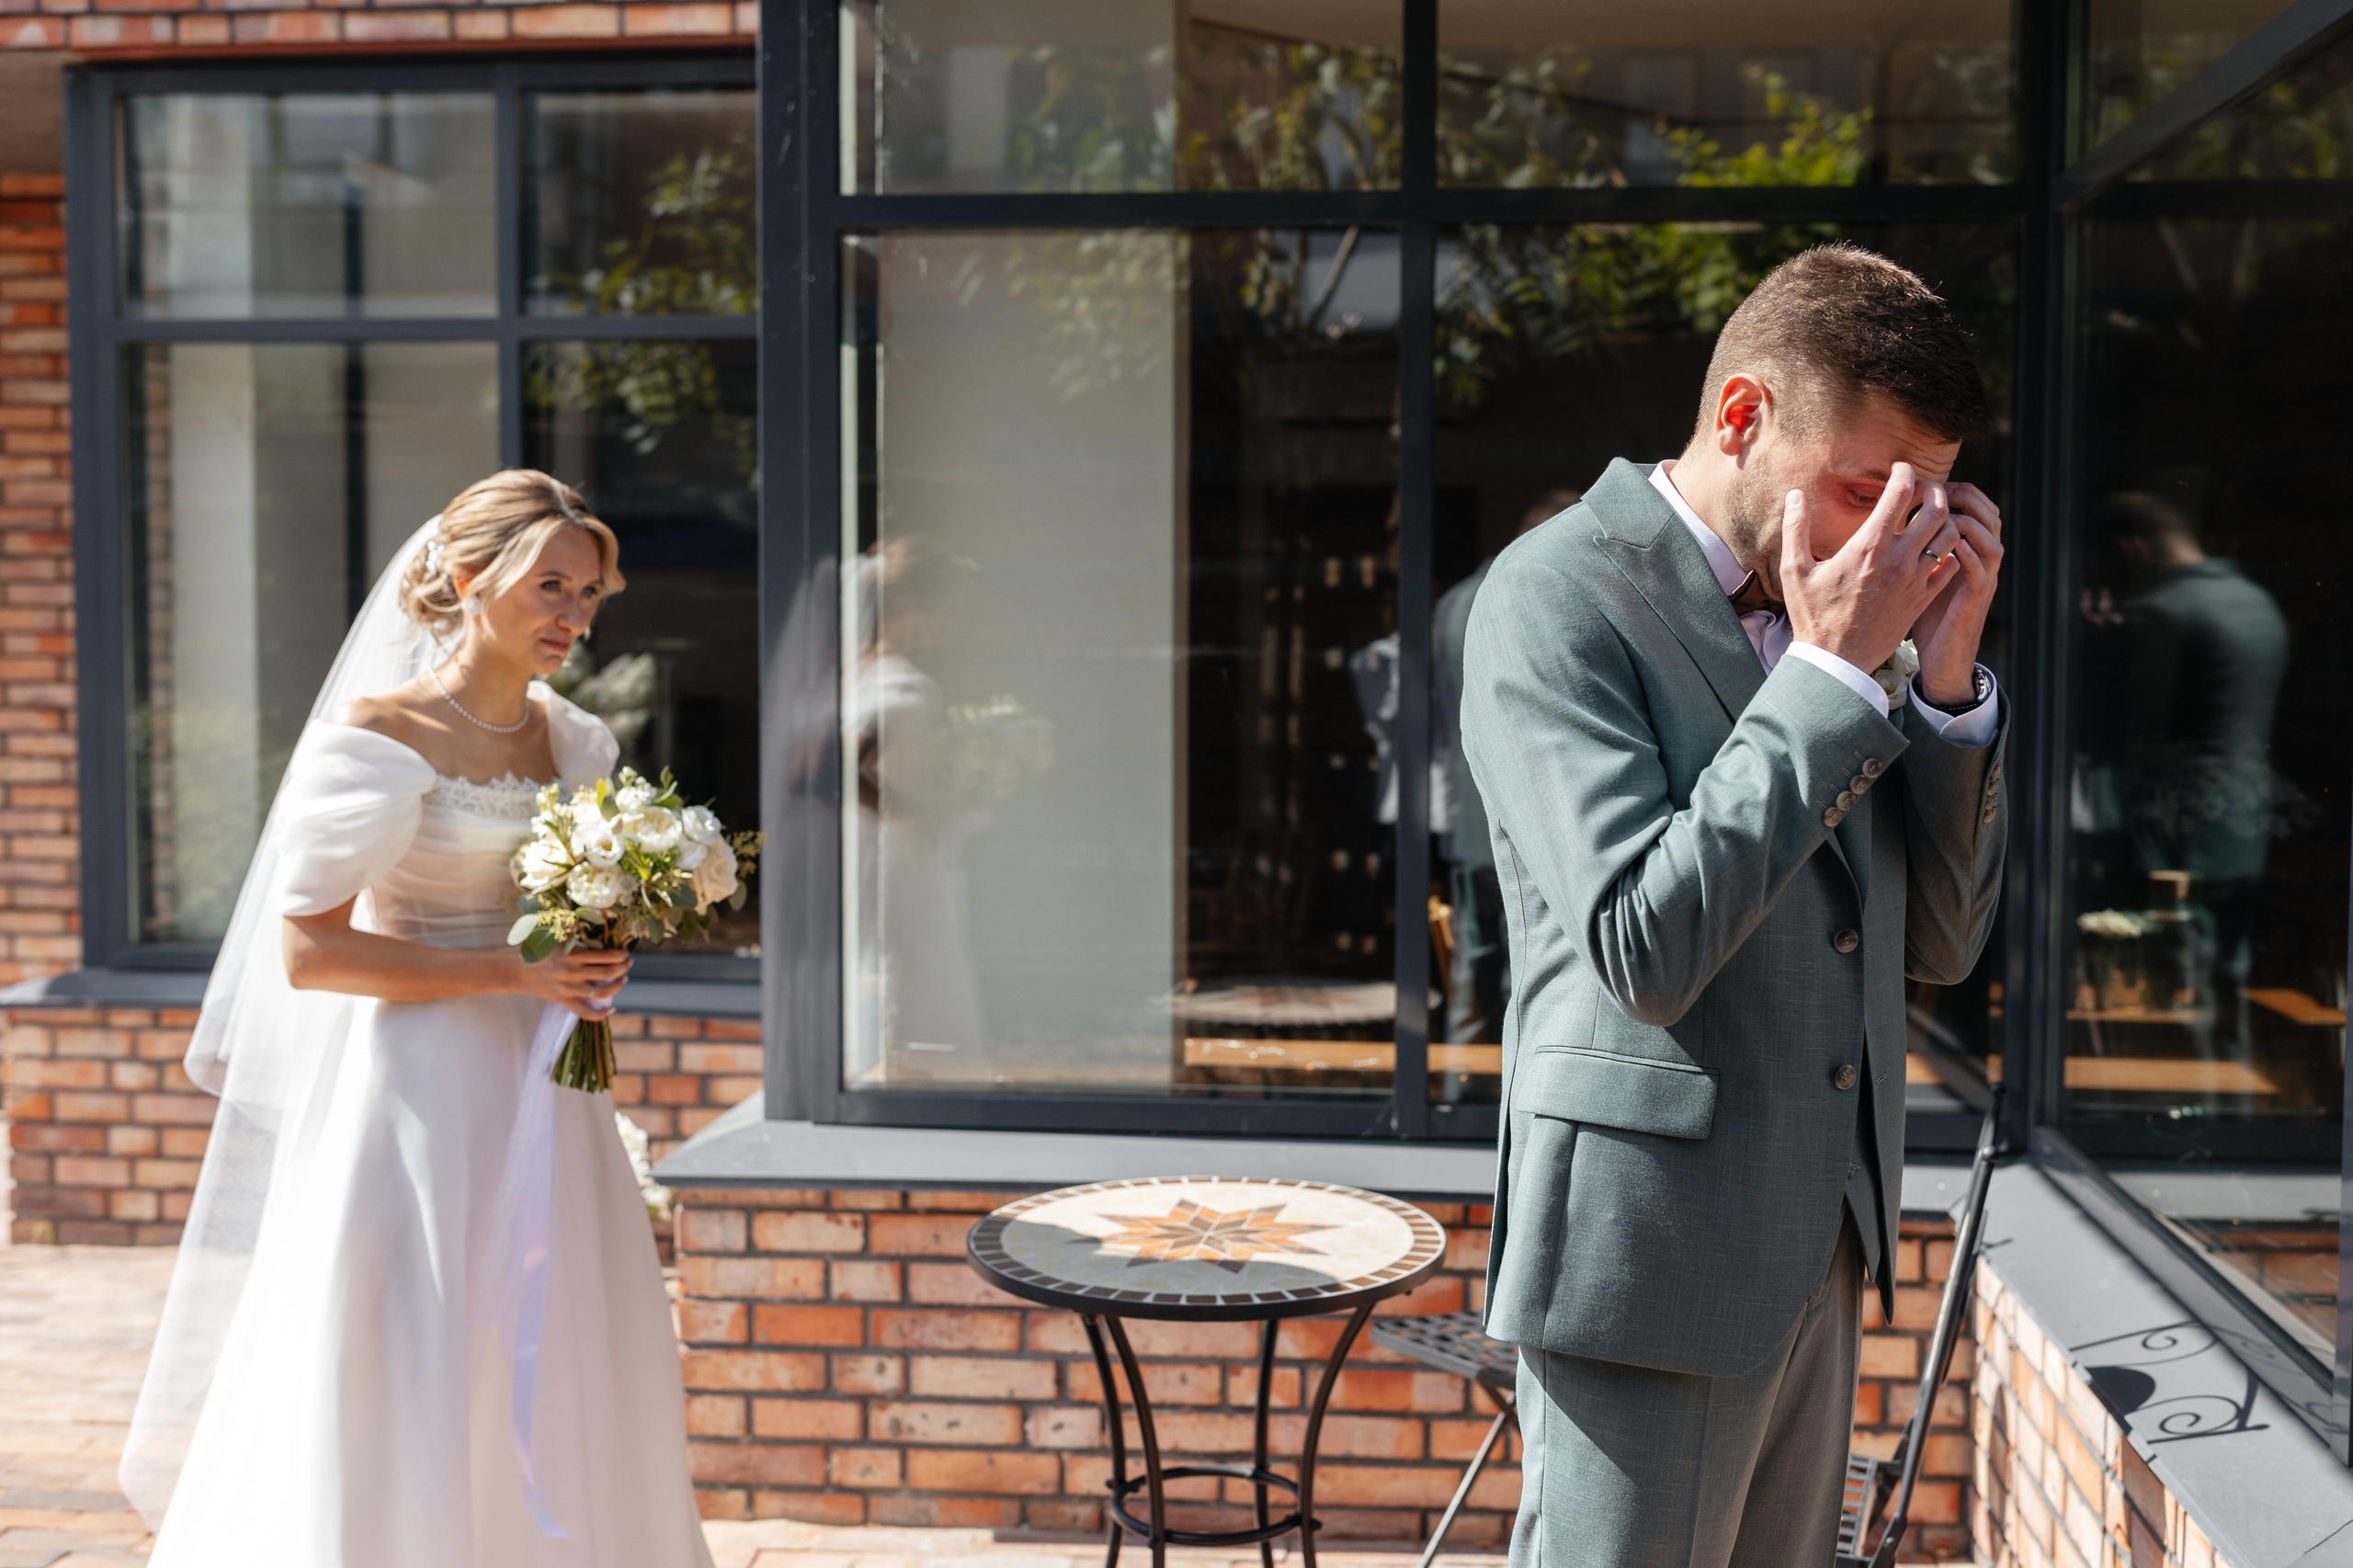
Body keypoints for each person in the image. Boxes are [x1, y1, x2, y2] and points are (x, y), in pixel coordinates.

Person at [1461, 244, 2009, 1565]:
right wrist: (1826, 674)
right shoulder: (1556, 593)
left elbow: (1937, 943)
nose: (1897, 537)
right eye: (1866, 490)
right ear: (1744, 415)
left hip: (1817, 1240)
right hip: (1648, 1260)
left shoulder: (1852, 622)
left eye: (1926, 503)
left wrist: (1938, 692)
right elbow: (1642, 946)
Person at [125, 471, 714, 1568]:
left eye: (589, 595)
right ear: (463, 578)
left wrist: (602, 941)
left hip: (548, 1084)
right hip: (415, 1088)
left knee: (557, 1336)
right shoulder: (378, 733)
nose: (574, 618)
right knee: (418, 1339)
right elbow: (310, 951)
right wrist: (512, 970)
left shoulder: (579, 744)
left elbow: (573, 909)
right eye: (552, 587)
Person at [1432, 488, 1585, 1049]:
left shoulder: (1453, 604)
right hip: (1530, 816)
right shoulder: (1551, 594)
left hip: (1469, 816)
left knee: (1474, 966)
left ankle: (1458, 1090)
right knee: (1531, 966)